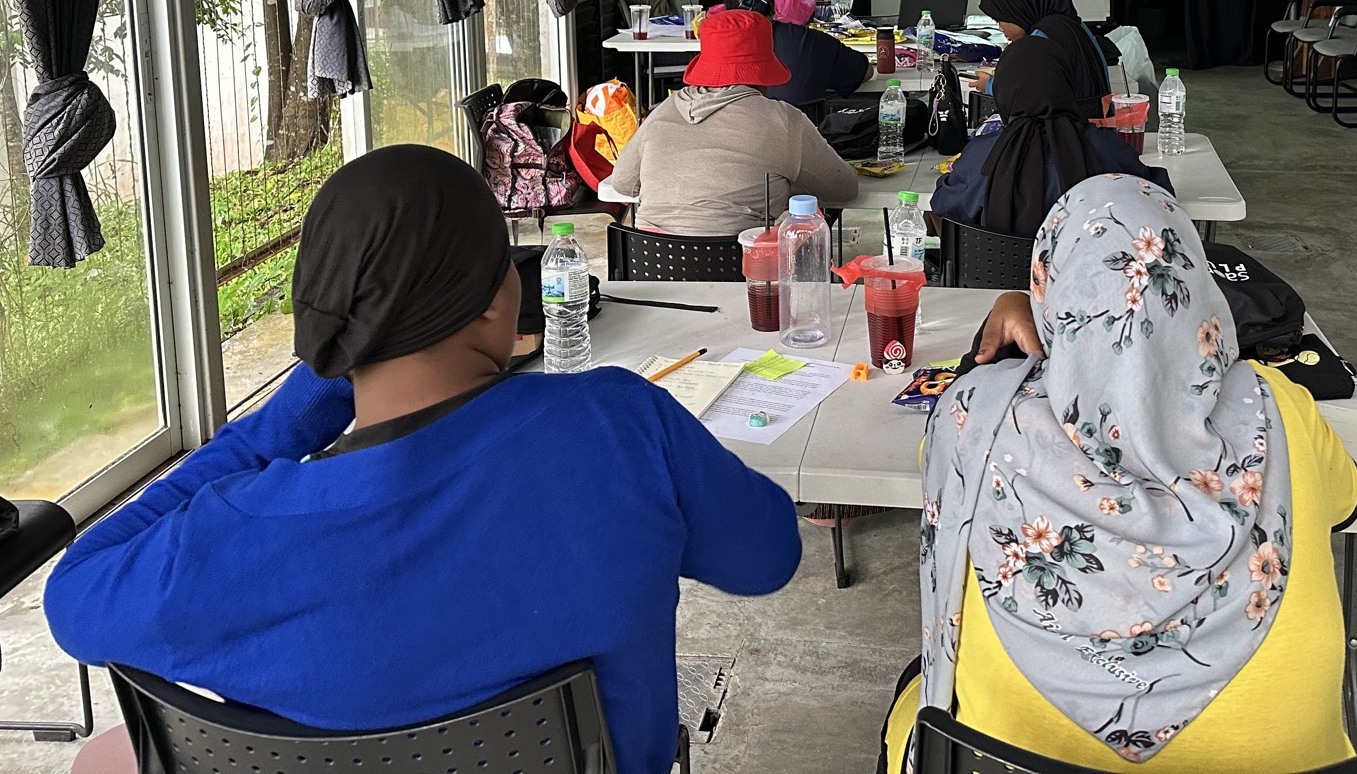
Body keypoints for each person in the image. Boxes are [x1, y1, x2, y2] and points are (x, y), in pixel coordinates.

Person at [44, 146, 800, 774]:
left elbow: (72, 595)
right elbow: (767, 555)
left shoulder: (222, 540)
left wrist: (269, 432)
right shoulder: (617, 426)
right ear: (490, 305)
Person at [883, 174, 1357, 772]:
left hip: (998, 762)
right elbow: (1342, 503)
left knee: (914, 692)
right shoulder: (1279, 406)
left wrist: (1009, 355)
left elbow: (941, 476)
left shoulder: (973, 414)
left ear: (1050, 295)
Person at [609, 7, 858, 234]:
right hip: (748, 275)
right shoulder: (784, 121)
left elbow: (622, 182)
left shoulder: (664, 111)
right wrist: (782, 186)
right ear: (764, 71)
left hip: (652, 269)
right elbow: (843, 188)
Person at [934, 36, 1167, 235]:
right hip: (1084, 283)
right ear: (1067, 86)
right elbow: (1158, 197)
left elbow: (943, 204)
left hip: (994, 286)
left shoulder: (981, 154)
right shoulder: (1106, 147)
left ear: (1003, 91)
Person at [974, 0, 1113, 117]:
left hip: (1066, 135)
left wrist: (989, 85)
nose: (1000, 27)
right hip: (1091, 129)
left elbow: (1023, 95)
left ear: (1018, 9)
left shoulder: (1042, 39)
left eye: (1000, 19)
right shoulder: (1074, 25)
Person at [722, 0, 869, 107]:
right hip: (802, 132)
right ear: (773, 5)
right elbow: (865, 72)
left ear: (727, 14)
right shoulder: (810, 41)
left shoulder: (717, 52)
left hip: (737, 132)